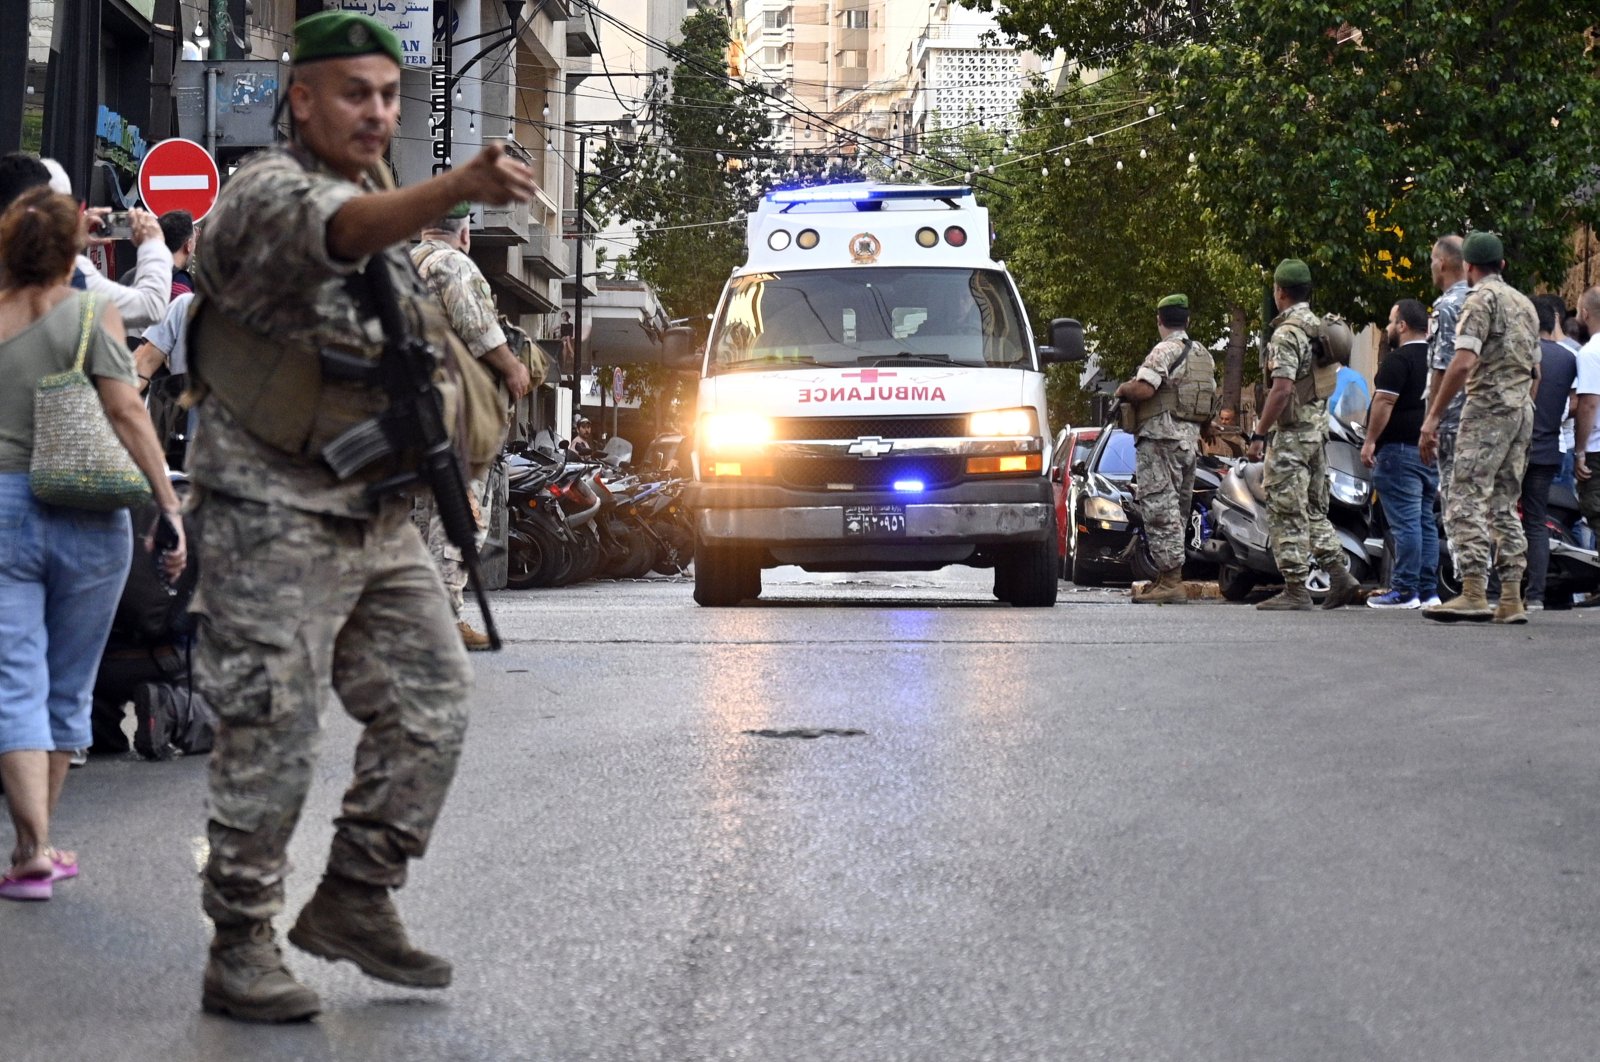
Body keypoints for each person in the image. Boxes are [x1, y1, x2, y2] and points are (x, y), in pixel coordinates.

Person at [184, 10, 536, 1022]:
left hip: (373, 513)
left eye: (389, 95)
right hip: (268, 510)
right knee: (273, 726)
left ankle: (356, 896)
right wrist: (459, 186)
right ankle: (241, 941)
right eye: (354, 93)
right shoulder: (264, 196)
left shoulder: (385, 212)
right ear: (301, 98)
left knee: (433, 702)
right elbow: (337, 232)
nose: (377, 113)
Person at [0, 188, 186, 901]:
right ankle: (36, 844)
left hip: (7, 508)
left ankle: (31, 848)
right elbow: (126, 412)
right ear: (73, 251)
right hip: (91, 514)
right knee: (68, 682)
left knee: (15, 674)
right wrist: (166, 505)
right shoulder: (91, 312)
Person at [409, 201, 534, 650]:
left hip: (412, 409)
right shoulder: (453, 266)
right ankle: (445, 619)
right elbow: (479, 329)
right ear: (464, 233)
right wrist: (514, 369)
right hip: (453, 412)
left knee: (425, 515)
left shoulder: (406, 264)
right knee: (460, 511)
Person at [1419, 232, 1540, 623]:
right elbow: (1536, 370)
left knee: (1464, 497)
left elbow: (1462, 361)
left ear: (1469, 267)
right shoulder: (1525, 305)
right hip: (1521, 410)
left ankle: (1473, 590)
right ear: (1502, 264)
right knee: (1505, 502)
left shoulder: (1480, 300)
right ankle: (1510, 597)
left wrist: (1434, 416)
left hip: (1486, 409)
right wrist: (1520, 399)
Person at [1244, 259, 1361, 611]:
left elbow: (1281, 389)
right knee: (1310, 509)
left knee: (1285, 509)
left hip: (1292, 436)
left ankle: (1296, 588)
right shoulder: (1319, 327)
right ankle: (1339, 576)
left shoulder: (1287, 333)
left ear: (1280, 292)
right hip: (1317, 432)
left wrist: (1259, 433)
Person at [1114, 293, 1214, 604]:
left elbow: (1145, 388)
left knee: (1159, 509)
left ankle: (1170, 581)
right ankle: (1168, 577)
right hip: (1188, 442)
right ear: (1188, 321)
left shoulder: (1164, 351)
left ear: (1160, 321)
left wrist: (1122, 389)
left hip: (1160, 441)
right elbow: (1207, 398)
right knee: (1179, 511)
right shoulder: (1203, 355)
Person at [1361, 299, 1439, 608]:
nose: (1389, 327)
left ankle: (1405, 589)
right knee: (1424, 522)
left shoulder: (1398, 361)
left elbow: (1383, 403)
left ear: (1403, 326)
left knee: (1406, 524)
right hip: (1427, 452)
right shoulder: (1437, 360)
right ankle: (1428, 590)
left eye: (1392, 322)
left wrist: (1369, 441)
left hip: (1398, 453)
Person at [1520, 295, 1579, 610]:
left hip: (1517, 449)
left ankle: (1498, 590)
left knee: (1502, 516)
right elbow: (1575, 405)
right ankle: (1536, 595)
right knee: (1536, 520)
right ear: (1553, 321)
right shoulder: (1569, 358)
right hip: (1549, 448)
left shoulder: (1520, 354)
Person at [1425, 235, 1470, 516]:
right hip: (1486, 419)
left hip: (1452, 421)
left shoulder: (1447, 306)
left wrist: (1431, 418)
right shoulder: (1485, 301)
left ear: (1441, 264)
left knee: (1456, 511)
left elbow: (1442, 367)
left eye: (1432, 260)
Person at [1573, 287, 1600, 567]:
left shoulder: (1590, 352)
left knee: (1596, 510)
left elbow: (1589, 403)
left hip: (1596, 447)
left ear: (1585, 313)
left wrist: (1579, 450)